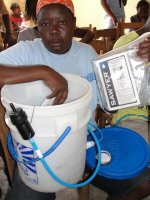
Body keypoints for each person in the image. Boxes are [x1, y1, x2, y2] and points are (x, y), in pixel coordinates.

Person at [0, 1, 149, 200]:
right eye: (45, 24)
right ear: (38, 27)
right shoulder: (28, 51)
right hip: (40, 144)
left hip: (85, 140)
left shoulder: (87, 54)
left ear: (74, 23)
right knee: (29, 195)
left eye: (62, 22)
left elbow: (108, 106)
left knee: (141, 183)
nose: (53, 31)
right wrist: (43, 71)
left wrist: (135, 63)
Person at [107, 16, 150, 200]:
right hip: (133, 117)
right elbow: (113, 102)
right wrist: (135, 60)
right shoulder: (127, 42)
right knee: (138, 170)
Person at [17, 0, 94, 44]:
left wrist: (76, 49)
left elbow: (89, 34)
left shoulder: (63, 29)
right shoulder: (27, 35)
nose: (54, 30)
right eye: (45, 23)